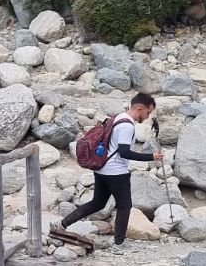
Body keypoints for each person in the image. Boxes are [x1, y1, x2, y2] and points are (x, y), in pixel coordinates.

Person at [60, 92, 161, 254]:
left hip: (102, 169)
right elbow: (124, 152)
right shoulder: (127, 126)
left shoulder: (118, 117)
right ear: (140, 108)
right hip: (116, 172)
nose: (148, 117)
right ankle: (119, 244)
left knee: (98, 203)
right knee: (124, 206)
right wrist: (151, 156)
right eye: (148, 113)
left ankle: (63, 224)